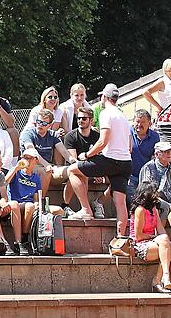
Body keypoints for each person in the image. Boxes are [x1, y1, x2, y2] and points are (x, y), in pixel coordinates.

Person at [68, 84, 132, 236]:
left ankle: (85, 210)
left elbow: (103, 141)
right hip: (126, 163)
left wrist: (88, 155)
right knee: (120, 202)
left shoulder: (105, 113)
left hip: (111, 160)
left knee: (72, 170)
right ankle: (121, 237)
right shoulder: (123, 116)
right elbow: (129, 146)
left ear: (104, 97)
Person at [62, 106, 105, 218]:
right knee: (80, 173)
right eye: (79, 118)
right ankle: (67, 206)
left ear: (91, 121)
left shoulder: (97, 136)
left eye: (84, 118)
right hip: (74, 168)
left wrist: (98, 173)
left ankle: (98, 203)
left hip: (92, 167)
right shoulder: (70, 136)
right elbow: (73, 160)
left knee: (117, 177)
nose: (80, 121)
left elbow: (100, 156)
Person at [19, 108, 73, 196]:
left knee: (73, 170)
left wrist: (74, 162)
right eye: (38, 121)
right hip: (31, 167)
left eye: (44, 123)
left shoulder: (53, 135)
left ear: (50, 125)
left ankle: (65, 205)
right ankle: (41, 204)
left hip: (49, 167)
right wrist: (46, 164)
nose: (40, 125)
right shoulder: (28, 133)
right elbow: (32, 151)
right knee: (45, 171)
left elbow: (64, 152)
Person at [129, 183, 171, 294]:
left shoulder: (153, 209)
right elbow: (138, 236)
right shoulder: (140, 210)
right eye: (154, 192)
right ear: (147, 194)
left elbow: (161, 230)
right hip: (139, 245)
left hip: (154, 243)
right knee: (166, 248)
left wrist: (164, 240)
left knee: (166, 244)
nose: (157, 195)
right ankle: (159, 280)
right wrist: (156, 238)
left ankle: (163, 278)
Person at [3, 149, 44, 255]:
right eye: (24, 157)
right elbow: (5, 182)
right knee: (17, 205)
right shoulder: (16, 172)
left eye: (29, 158)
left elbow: (36, 196)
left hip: (28, 205)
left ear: (36, 160)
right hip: (15, 203)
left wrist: (37, 203)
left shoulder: (36, 178)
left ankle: (25, 237)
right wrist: (16, 168)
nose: (26, 160)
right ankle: (20, 241)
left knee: (31, 206)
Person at [128, 109, 160, 201]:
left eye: (143, 122)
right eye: (137, 121)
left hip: (146, 176)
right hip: (130, 175)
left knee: (146, 202)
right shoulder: (127, 133)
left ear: (149, 123)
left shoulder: (155, 136)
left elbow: (156, 157)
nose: (139, 125)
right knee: (132, 202)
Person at [138, 140, 171, 226]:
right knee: (165, 206)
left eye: (170, 151)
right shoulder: (149, 167)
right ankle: (159, 234)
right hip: (151, 198)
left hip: (168, 198)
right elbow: (146, 190)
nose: (169, 153)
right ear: (156, 154)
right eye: (166, 151)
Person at [142, 58, 171, 140]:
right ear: (165, 70)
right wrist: (158, 107)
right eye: (170, 70)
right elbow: (146, 93)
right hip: (167, 118)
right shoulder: (162, 82)